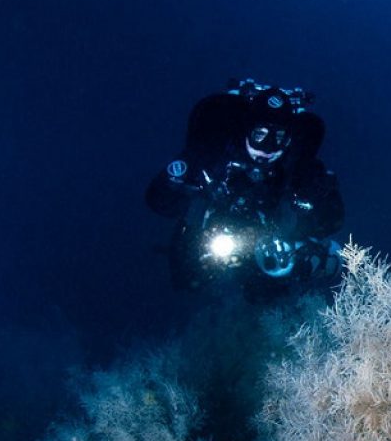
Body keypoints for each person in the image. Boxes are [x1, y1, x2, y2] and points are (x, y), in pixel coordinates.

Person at [146, 79, 344, 299]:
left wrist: (318, 199)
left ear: (289, 140)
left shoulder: (296, 164)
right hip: (213, 226)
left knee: (266, 294)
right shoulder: (213, 155)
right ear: (246, 131)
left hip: (265, 236)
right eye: (260, 135)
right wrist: (173, 183)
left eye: (279, 137)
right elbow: (157, 201)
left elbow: (334, 218)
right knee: (186, 276)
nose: (268, 148)